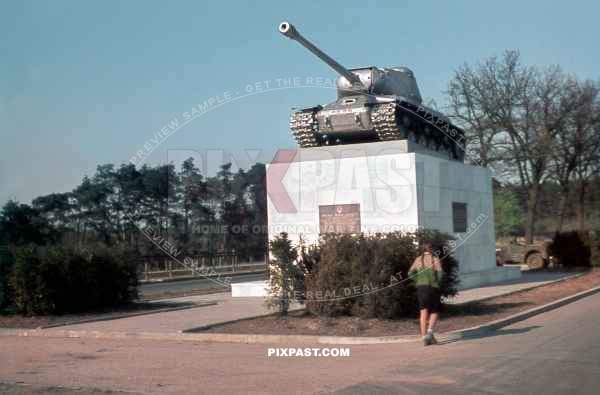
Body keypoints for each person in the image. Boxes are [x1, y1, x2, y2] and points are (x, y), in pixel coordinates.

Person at [408, 243, 443, 346]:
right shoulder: (435, 259)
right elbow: (440, 274)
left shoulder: (418, 259)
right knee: (434, 311)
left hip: (421, 288)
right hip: (432, 287)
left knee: (423, 312)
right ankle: (430, 332)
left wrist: (417, 280)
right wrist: (437, 283)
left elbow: (410, 273)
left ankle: (424, 337)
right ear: (431, 250)